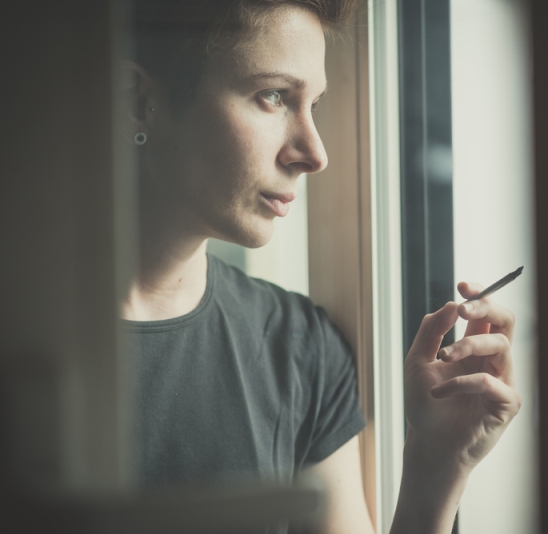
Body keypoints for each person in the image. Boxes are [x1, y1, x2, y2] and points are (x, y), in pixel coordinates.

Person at [119, 1, 521, 532]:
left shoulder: (300, 349)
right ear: (139, 101)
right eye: (273, 96)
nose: (314, 153)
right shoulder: (33, 351)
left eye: (314, 104)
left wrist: (438, 466)